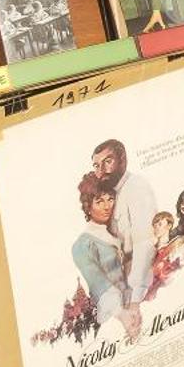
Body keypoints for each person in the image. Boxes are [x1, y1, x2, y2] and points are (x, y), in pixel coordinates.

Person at [70, 173, 140, 342]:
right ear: (88, 206)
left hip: (135, 304)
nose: (107, 206)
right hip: (114, 317)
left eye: (110, 199)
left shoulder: (117, 232)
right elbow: (98, 285)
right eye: (99, 201)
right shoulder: (82, 245)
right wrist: (122, 315)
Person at [91, 139, 157, 312]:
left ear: (122, 159)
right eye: (96, 166)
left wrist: (135, 298)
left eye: (107, 162)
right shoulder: (112, 194)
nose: (101, 171)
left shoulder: (136, 187)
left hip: (142, 290)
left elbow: (145, 245)